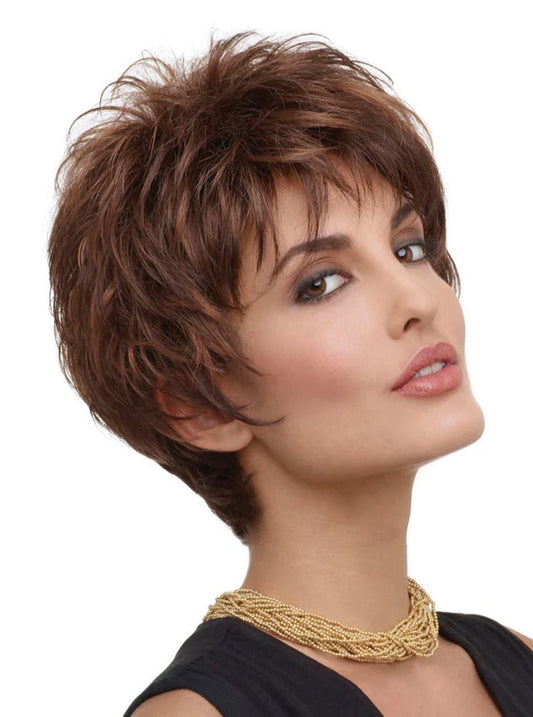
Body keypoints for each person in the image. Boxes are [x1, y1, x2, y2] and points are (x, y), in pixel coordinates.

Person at [47, 31, 533, 716]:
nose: (418, 300)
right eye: (322, 282)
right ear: (199, 405)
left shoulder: (516, 659)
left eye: (408, 247)